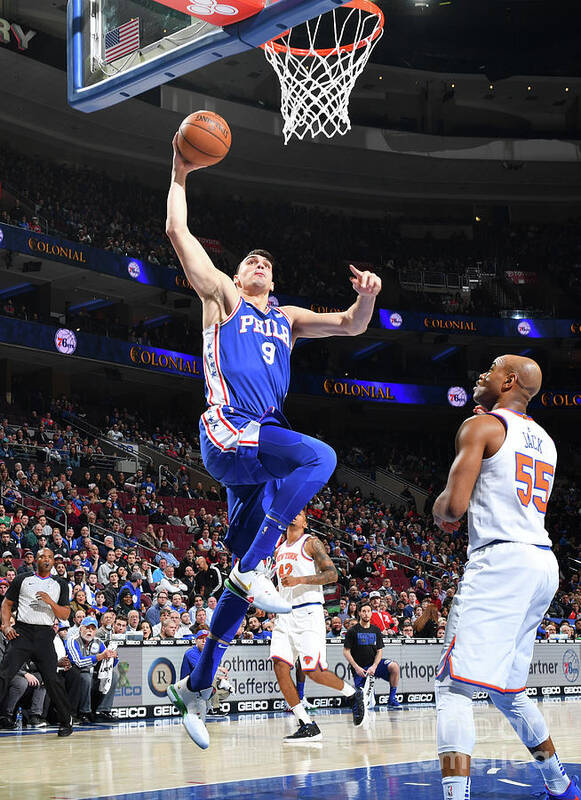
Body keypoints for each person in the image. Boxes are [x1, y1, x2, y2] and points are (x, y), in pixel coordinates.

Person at [165, 135, 381, 749]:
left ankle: (196, 687)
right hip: (228, 427)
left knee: (236, 584)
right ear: (235, 275)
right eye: (250, 260)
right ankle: (257, 564)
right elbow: (180, 236)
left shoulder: (284, 318)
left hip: (258, 454)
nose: (258, 264)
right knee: (322, 456)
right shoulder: (223, 298)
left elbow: (348, 325)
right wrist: (180, 170)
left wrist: (366, 295)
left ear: (274, 279)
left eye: (266, 262)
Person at [432, 355, 579, 800]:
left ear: (509, 381)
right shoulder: (547, 441)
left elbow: (453, 509)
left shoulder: (481, 428)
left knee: (453, 686)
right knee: (508, 691)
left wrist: (437, 508)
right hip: (541, 562)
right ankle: (561, 784)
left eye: (490, 369)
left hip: (501, 561)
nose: (481, 373)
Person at [270, 510, 364, 741]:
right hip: (285, 614)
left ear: (305, 521)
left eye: (300, 513)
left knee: (313, 672)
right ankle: (306, 723)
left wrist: (300, 580)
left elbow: (332, 574)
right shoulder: (279, 549)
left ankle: (353, 693)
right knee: (280, 667)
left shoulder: (310, 543)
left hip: (308, 612)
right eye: (293, 510)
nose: (294, 514)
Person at [0, 548, 73, 735]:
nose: (46, 559)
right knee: (4, 673)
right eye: (42, 556)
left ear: (54, 562)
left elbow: (65, 614)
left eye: (49, 557)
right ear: (36, 560)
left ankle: (66, 721)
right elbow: (6, 604)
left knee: (52, 679)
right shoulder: (22, 579)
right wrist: (7, 626)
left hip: (44, 635)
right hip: (22, 632)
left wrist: (51, 602)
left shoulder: (60, 584)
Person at [343, 601, 402, 710]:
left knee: (394, 667)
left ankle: (392, 699)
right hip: (360, 668)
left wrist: (374, 666)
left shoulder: (376, 630)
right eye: (364, 611)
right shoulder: (352, 631)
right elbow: (346, 651)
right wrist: (356, 668)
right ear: (359, 613)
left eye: (368, 611)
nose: (366, 614)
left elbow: (379, 651)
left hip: (374, 665)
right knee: (366, 703)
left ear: (371, 613)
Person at [66, 616, 118, 722]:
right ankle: (84, 712)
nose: (90, 631)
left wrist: (113, 657)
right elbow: (78, 662)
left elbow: (109, 663)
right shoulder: (72, 640)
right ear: (81, 629)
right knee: (86, 677)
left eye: (93, 629)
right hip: (76, 674)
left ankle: (103, 710)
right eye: (87, 628)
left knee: (113, 674)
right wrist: (100, 656)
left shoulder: (98, 642)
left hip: (94, 673)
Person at [180, 629, 232, 714]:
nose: (204, 641)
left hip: (200, 685)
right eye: (201, 638)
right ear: (196, 640)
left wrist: (221, 679)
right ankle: (214, 708)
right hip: (187, 686)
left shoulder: (209, 653)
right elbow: (202, 669)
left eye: (206, 639)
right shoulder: (190, 652)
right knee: (211, 676)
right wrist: (219, 669)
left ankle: (205, 705)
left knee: (226, 691)